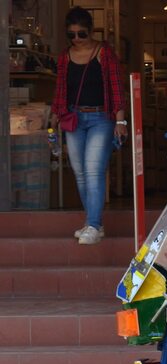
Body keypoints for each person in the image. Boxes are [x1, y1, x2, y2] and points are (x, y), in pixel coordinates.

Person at [51, 6, 127, 245]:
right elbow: (61, 87)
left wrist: (120, 119)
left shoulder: (104, 53)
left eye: (81, 34)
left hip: (100, 118)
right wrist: (55, 113)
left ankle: (93, 225)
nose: (76, 39)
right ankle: (94, 223)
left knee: (94, 171)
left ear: (91, 31)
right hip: (73, 117)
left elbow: (116, 87)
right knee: (80, 173)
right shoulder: (64, 56)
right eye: (71, 34)